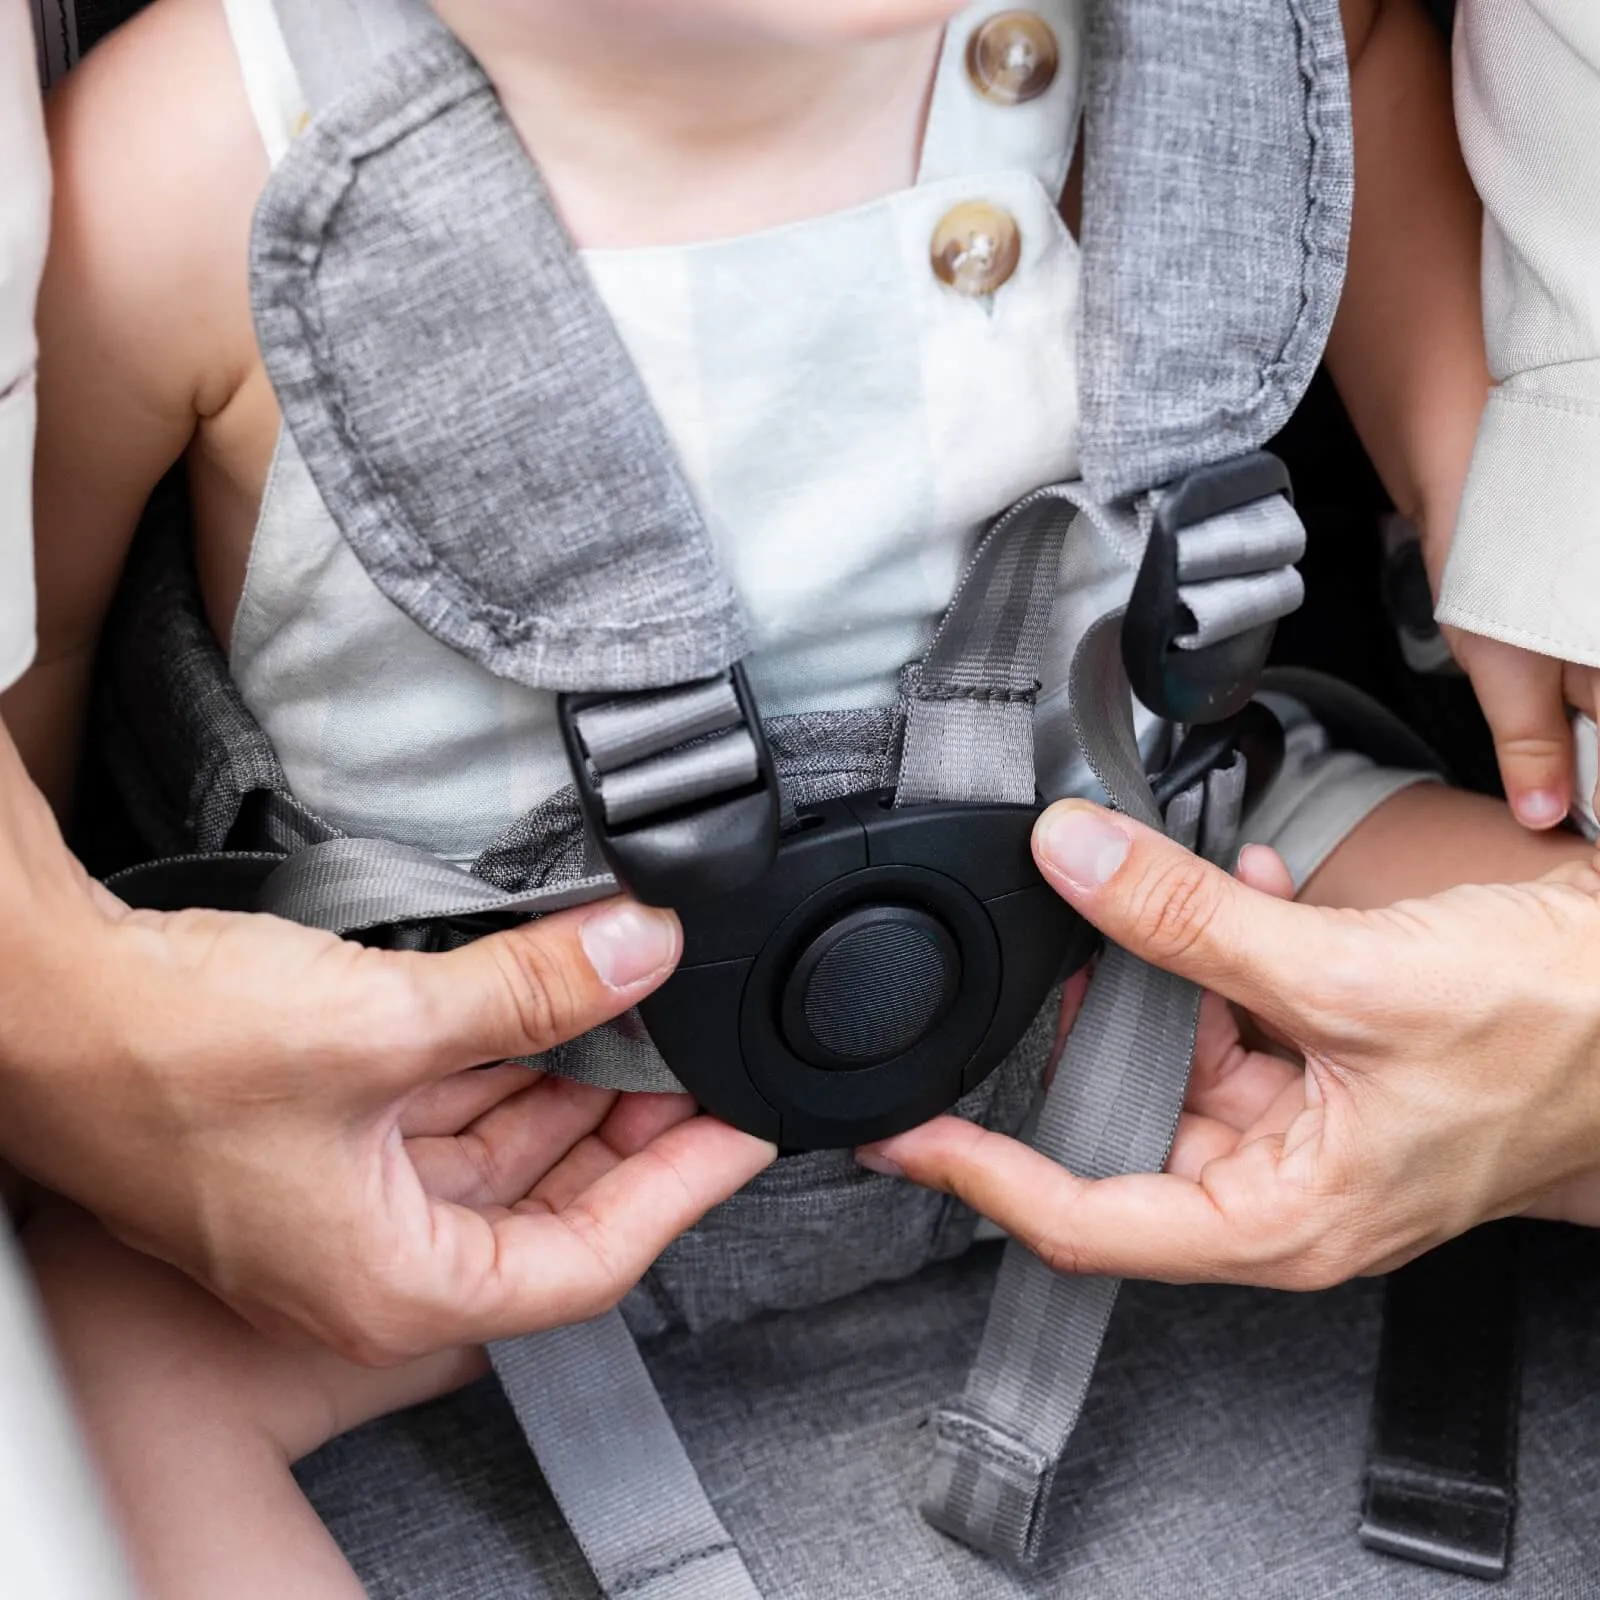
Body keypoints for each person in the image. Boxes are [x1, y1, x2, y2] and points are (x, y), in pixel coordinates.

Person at [10, 0, 1596, 1592]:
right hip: (501, 1122)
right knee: (74, 1371)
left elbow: (1345, 67)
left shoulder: (1173, 29)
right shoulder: (200, 161)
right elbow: (43, 688)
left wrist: (1471, 476)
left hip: (1165, 928)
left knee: (1561, 995)